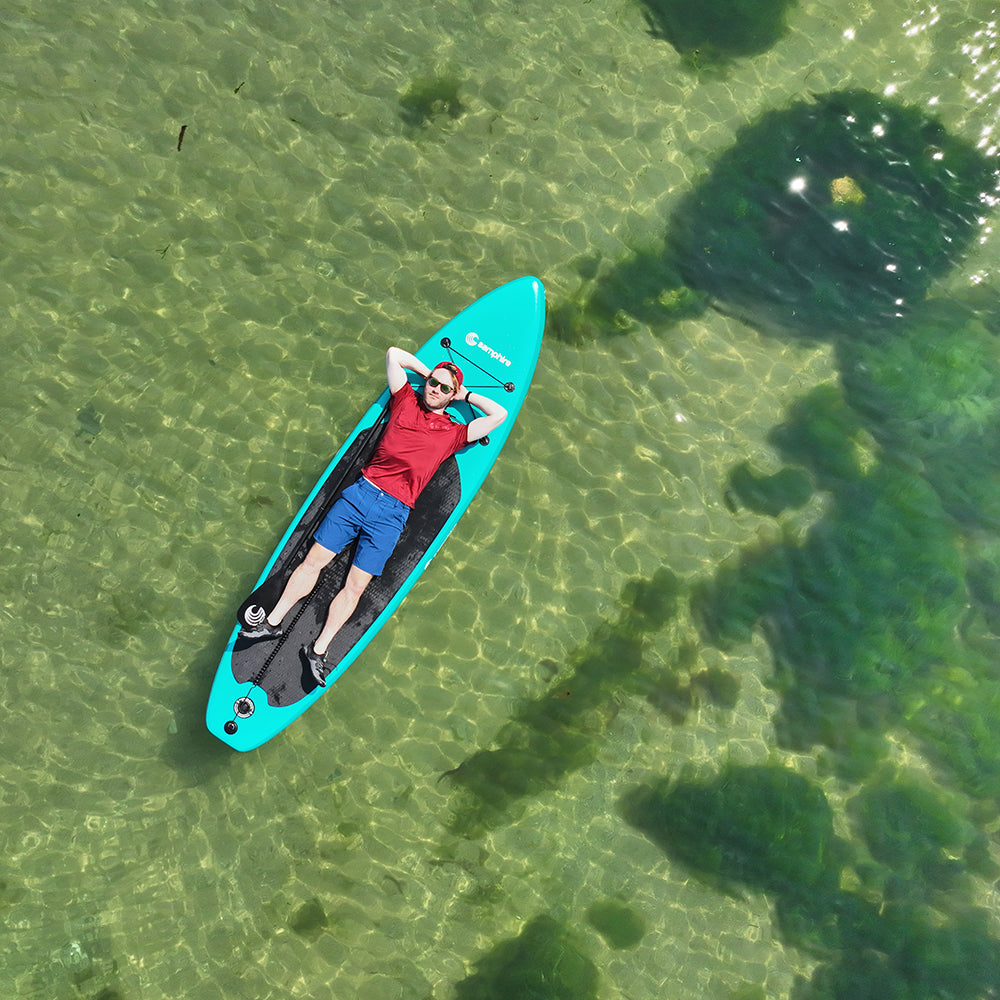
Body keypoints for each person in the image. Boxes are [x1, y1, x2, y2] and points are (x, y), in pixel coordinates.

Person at [239, 346, 508, 686]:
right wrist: (426, 374)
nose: (435, 390)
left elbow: (498, 414)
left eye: (444, 388)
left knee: (355, 587)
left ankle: (317, 651)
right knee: (313, 562)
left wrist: (464, 395)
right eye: (433, 383)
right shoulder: (405, 401)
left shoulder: (454, 433)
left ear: (451, 395)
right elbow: (394, 354)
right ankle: (272, 623)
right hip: (360, 495)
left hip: (393, 515)